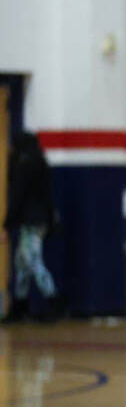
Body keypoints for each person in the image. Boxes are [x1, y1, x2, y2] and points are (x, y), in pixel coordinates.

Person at [3, 132, 59, 322]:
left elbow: (18, 195)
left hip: (29, 222)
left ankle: (53, 301)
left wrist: (7, 223)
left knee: (33, 261)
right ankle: (20, 305)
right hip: (40, 219)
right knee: (22, 263)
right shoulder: (41, 161)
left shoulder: (23, 163)